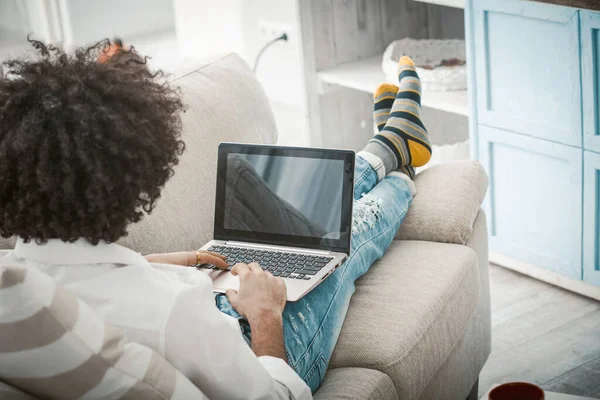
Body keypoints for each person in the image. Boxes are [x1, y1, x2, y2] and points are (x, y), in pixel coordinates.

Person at [0, 38, 431, 399]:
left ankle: (389, 147)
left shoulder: (16, 276)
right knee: (335, 244)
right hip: (256, 346)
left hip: (207, 310)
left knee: (303, 224)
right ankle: (401, 165)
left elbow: (82, 285)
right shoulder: (171, 310)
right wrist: (265, 315)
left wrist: (158, 263)